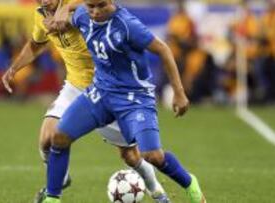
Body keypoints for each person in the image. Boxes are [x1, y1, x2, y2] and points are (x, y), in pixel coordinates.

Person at [37, 0, 206, 202]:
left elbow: (163, 50)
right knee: (59, 137)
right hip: (101, 93)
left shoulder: (128, 25)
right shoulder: (84, 15)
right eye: (91, 7)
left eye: (101, 6)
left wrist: (179, 93)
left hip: (134, 99)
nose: (96, 12)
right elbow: (72, 18)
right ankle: (52, 199)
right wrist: (60, 18)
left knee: (152, 156)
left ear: (111, 2)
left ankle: (189, 183)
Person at [1, 0, 170, 202]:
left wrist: (67, 10)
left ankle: (156, 190)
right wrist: (14, 67)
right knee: (47, 138)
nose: (46, 0)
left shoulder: (81, 6)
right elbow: (36, 44)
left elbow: (94, 7)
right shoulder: (40, 15)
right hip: (74, 85)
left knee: (130, 155)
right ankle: (59, 180)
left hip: (106, 88)